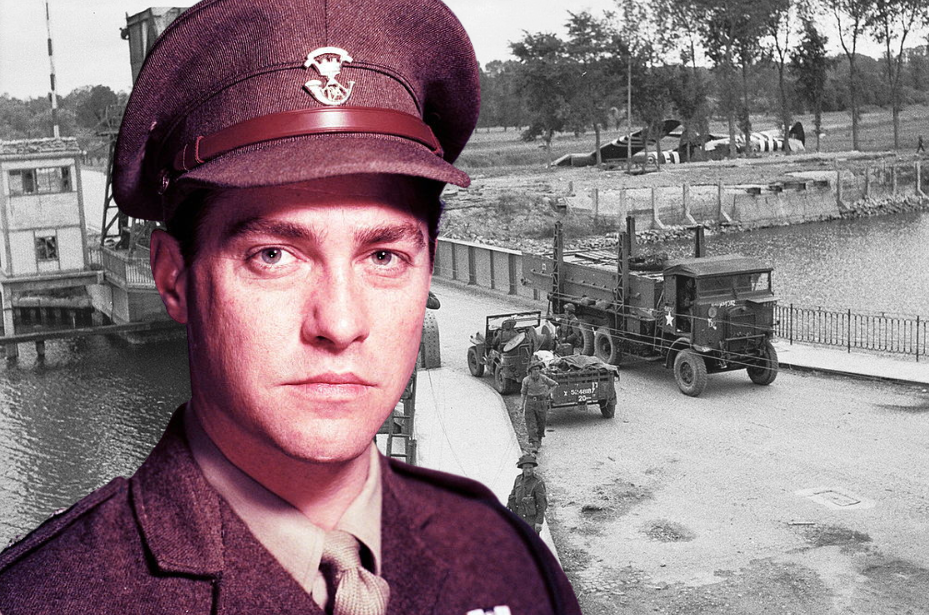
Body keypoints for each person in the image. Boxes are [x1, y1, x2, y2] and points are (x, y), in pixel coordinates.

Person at [0, 1, 581, 614]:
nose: (339, 323)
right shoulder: (45, 599)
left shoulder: (508, 564)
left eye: (384, 257)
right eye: (273, 255)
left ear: (427, 268)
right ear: (174, 279)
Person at [521, 361, 558, 453]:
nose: (536, 371)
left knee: (541, 422)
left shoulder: (543, 378)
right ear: (530, 371)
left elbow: (555, 384)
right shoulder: (526, 380)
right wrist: (521, 406)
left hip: (541, 402)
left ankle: (539, 438)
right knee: (531, 424)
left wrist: (547, 394)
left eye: (538, 369)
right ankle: (534, 443)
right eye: (534, 369)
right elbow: (523, 393)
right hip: (530, 403)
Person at [507, 454, 548, 535]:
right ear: (522, 468)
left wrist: (539, 522)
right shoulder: (518, 479)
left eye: (530, 468)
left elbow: (542, 504)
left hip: (531, 521)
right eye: (526, 468)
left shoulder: (538, 482)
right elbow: (512, 495)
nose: (528, 470)